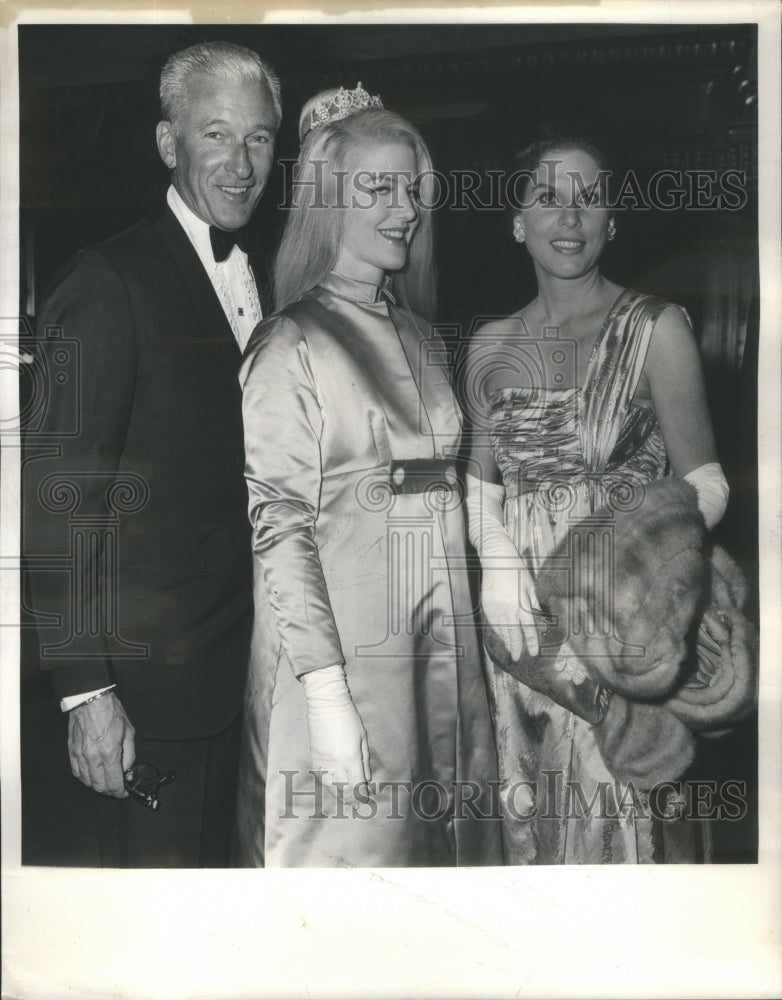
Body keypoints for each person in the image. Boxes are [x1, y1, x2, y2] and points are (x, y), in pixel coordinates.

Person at [24, 41, 281, 867]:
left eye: (260, 139)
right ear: (168, 144)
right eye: (217, 136)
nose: (241, 165)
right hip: (147, 700)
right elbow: (54, 499)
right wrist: (85, 692)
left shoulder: (273, 279)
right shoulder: (108, 280)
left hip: (251, 684)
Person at [234, 85, 502, 867]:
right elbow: (278, 529)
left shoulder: (424, 337)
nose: (405, 210)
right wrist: (323, 693)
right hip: (344, 662)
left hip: (441, 648)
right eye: (378, 189)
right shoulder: (289, 344)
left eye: (412, 190)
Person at [462, 132, 733, 864]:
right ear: (517, 221)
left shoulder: (657, 328)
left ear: (613, 221)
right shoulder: (489, 344)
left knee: (617, 823)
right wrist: (496, 564)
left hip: (621, 620)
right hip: (520, 632)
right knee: (529, 831)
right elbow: (480, 482)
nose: (570, 217)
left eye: (588, 198)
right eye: (548, 197)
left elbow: (707, 480)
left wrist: (639, 556)